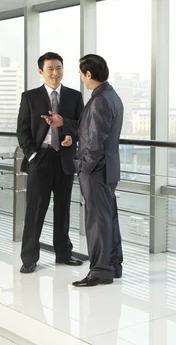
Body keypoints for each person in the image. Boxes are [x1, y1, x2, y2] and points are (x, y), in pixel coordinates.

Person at [43, 54, 124, 287]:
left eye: (81, 74)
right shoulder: (110, 96)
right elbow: (90, 128)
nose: (81, 79)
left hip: (96, 170)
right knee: (108, 219)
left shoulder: (99, 100)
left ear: (89, 74)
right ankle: (113, 265)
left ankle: (99, 271)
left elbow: (95, 142)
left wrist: (82, 166)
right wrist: (64, 123)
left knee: (96, 222)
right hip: (108, 168)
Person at [16, 52, 84, 274]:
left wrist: (71, 137)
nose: (55, 73)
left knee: (63, 209)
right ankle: (29, 258)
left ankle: (64, 254)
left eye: (58, 68)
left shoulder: (74, 96)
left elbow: (81, 126)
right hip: (41, 158)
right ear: (41, 71)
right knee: (35, 210)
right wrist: (32, 155)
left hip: (64, 158)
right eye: (50, 69)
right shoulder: (30, 97)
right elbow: (23, 130)